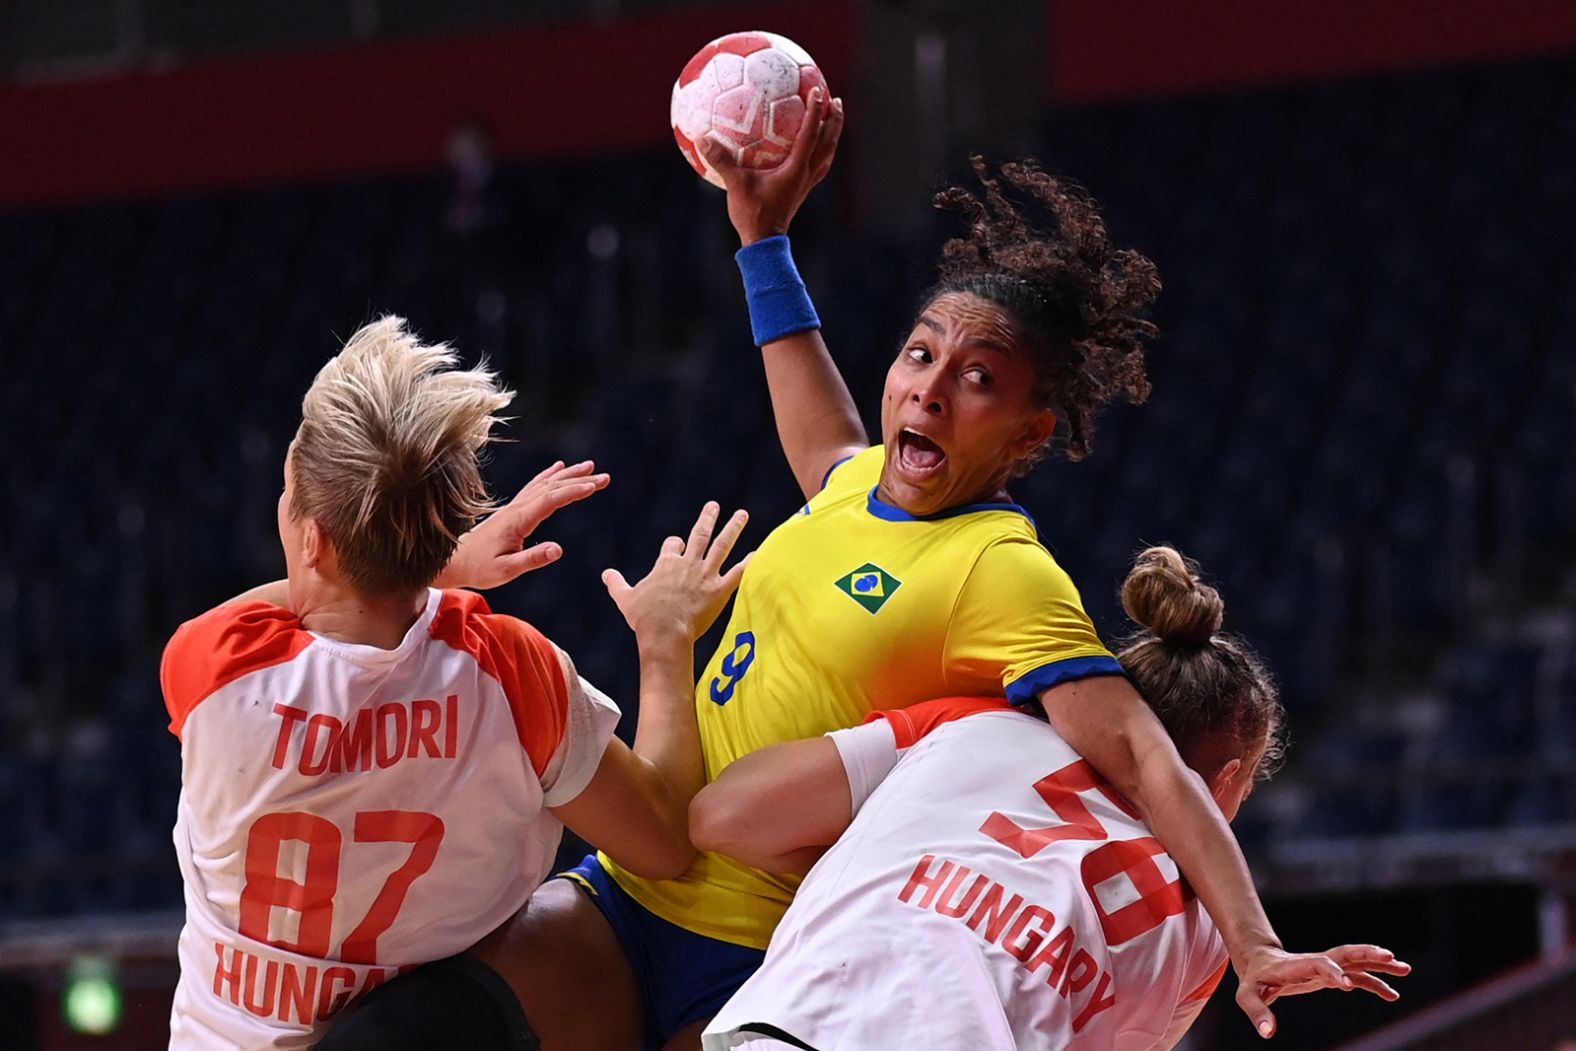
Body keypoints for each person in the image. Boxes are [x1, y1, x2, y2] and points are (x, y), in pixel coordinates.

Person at [341, 97, 1354, 1051]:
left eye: (978, 378)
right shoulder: (861, 479)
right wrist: (762, 243)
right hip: (631, 895)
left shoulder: (1002, 573)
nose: (929, 388)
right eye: (920, 355)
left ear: (1030, 432)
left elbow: (1144, 760)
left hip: (771, 958)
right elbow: (818, 422)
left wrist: (1252, 942)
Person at [160, 316, 749, 1049]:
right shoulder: (509, 669)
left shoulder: (214, 660)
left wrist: (435, 565)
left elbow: (318, 602)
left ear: (310, 537)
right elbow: (663, 843)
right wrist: (664, 643)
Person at [693, 546, 1411, 1050]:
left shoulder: (972, 723)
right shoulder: (1197, 931)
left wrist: (887, 854)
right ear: (1227, 783)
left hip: (789, 1023)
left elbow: (723, 817)